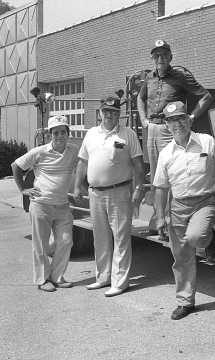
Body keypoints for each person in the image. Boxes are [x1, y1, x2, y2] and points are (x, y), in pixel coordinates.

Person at [153, 101, 215, 320]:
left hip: (205, 202)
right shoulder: (165, 153)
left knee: (196, 236)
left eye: (181, 118)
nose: (178, 124)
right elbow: (161, 188)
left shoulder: (206, 141)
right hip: (178, 207)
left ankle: (207, 238)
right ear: (166, 125)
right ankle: (185, 302)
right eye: (172, 121)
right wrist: (161, 216)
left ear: (188, 120)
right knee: (181, 258)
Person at [137, 39, 213, 234]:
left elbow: (206, 96)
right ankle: (159, 218)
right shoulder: (148, 77)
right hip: (151, 130)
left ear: (170, 57)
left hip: (169, 129)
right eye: (156, 55)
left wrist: (192, 116)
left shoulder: (180, 77)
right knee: (157, 177)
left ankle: (173, 222)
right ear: (152, 58)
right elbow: (140, 97)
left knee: (173, 174)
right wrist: (144, 120)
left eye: (163, 55)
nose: (160, 58)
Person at [74, 96, 145, 297]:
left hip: (120, 192)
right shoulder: (91, 134)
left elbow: (138, 165)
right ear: (100, 113)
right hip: (95, 193)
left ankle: (120, 282)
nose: (110, 115)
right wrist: (77, 186)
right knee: (100, 238)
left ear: (119, 114)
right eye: (106, 111)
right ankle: (103, 277)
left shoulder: (128, 134)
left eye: (114, 112)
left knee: (121, 238)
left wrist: (139, 188)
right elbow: (82, 162)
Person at [11, 115, 78, 292]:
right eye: (55, 133)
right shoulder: (39, 152)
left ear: (67, 133)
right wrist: (23, 190)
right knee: (40, 244)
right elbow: (15, 166)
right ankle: (42, 280)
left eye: (63, 132)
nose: (59, 136)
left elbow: (83, 166)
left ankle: (57, 276)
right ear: (50, 135)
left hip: (62, 205)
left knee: (66, 241)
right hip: (41, 205)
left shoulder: (73, 151)